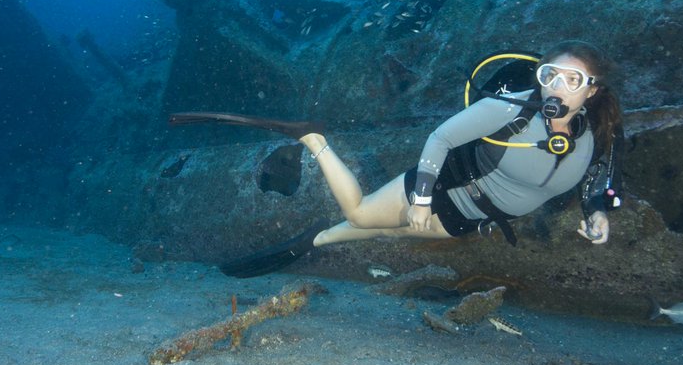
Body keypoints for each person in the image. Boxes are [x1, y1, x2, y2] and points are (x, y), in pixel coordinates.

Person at [170, 40, 624, 276]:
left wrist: (597, 210)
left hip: (472, 220)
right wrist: (423, 199)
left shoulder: (599, 128)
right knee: (362, 213)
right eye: (550, 75)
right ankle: (315, 141)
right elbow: (440, 139)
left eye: (572, 79)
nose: (556, 88)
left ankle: (316, 241)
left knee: (380, 231)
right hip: (443, 188)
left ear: (593, 89)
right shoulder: (508, 109)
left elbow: (599, 174)